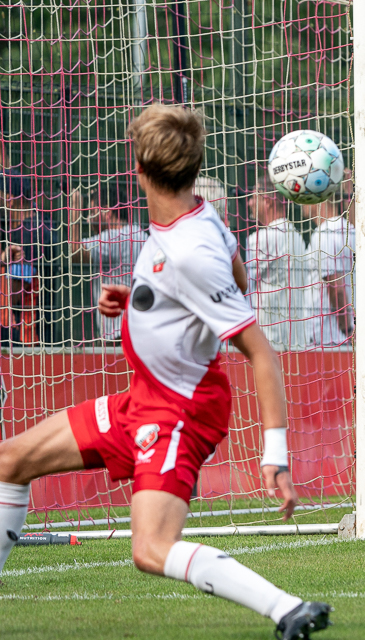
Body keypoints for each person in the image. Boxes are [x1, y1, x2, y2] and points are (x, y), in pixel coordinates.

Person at [0, 104, 329, 638]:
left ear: (138, 170)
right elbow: (237, 280)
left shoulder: (190, 250)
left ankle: (288, 608)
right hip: (142, 398)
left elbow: (260, 351)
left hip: (179, 409)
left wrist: (275, 455)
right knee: (11, 461)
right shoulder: (200, 215)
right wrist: (143, 299)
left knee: (151, 548)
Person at [67, 179, 149, 341]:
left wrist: (75, 207)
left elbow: (75, 252)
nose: (88, 219)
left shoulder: (113, 237)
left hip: (118, 332)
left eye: (91, 212)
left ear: (106, 212)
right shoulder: (141, 235)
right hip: (142, 327)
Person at [246, 174, 310, 351]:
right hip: (296, 338)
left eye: (253, 197)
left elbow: (239, 283)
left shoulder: (263, 238)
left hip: (268, 339)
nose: (249, 203)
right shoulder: (296, 236)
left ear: (267, 201)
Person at [0, 170, 60, 344]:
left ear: (10, 198)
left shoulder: (28, 233)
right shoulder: (40, 223)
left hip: (27, 339)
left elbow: (13, 294)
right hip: (37, 332)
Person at [305, 169, 354, 347]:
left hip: (328, 338)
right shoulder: (349, 228)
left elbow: (336, 287)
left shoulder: (325, 233)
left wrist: (347, 329)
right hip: (339, 336)